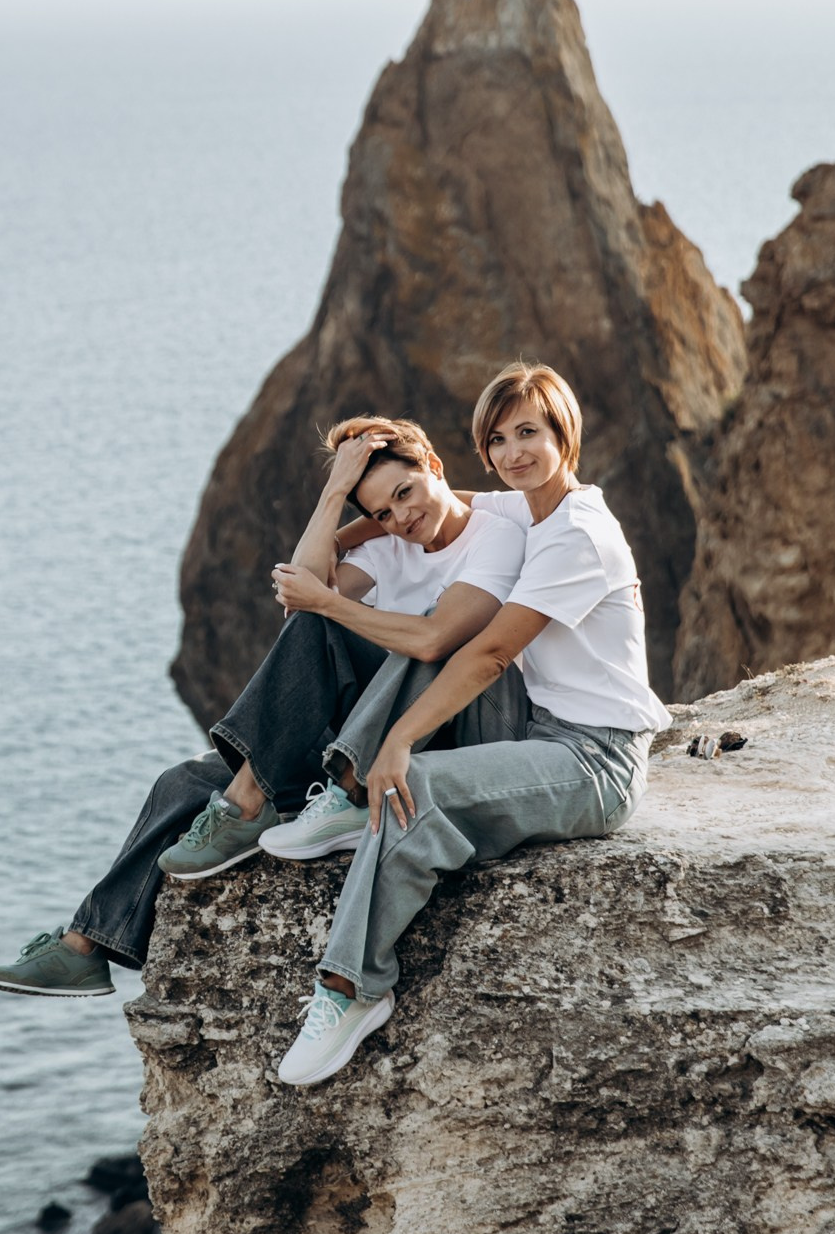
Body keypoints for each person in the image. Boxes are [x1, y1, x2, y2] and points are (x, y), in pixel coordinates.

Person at [0, 417, 526, 997]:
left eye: (404, 493)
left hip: (459, 726)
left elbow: (434, 641)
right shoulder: (390, 548)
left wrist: (326, 600)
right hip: (376, 729)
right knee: (183, 781)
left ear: (434, 468)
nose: (402, 517)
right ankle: (84, 947)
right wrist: (332, 495)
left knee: (343, 622)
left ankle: (244, 806)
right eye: (384, 513)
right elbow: (304, 591)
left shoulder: (496, 534)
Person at [272, 362, 672, 1084]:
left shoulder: (577, 532)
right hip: (535, 724)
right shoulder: (526, 507)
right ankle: (345, 791)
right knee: (438, 619)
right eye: (499, 439)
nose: (516, 451)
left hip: (595, 763)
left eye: (530, 433)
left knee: (412, 787)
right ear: (482, 452)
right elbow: (438, 500)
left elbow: (490, 654)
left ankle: (350, 991)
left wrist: (397, 744)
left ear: (563, 434)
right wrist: (355, 488)